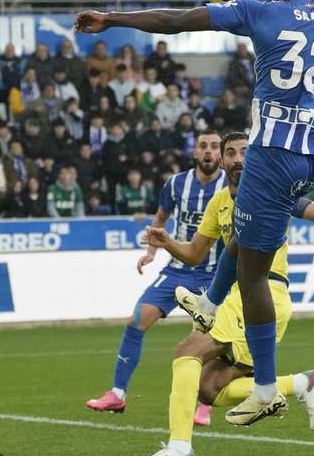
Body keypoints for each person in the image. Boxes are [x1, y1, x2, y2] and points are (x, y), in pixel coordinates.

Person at [76, 0, 314, 425]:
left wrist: (111, 20)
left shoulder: (261, 13)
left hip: (273, 152)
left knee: (252, 276)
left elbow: (174, 22)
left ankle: (267, 389)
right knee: (244, 230)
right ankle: (210, 303)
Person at [137, 132, 314, 456]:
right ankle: (298, 384)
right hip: (242, 294)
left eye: (245, 153)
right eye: (231, 153)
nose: (238, 159)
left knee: (187, 351)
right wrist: (167, 243)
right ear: (222, 162)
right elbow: (194, 253)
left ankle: (179, 445)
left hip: (264, 291)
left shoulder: (272, 192)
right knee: (209, 388)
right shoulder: (219, 201)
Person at [85, 131, 225, 413]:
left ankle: (204, 403)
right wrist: (151, 251)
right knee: (136, 321)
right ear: (195, 153)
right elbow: (161, 218)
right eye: (203, 146)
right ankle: (117, 393)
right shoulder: (176, 184)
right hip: (177, 270)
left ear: (220, 154)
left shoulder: (231, 186)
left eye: (214, 147)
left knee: (212, 337)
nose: (208, 151)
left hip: (214, 274)